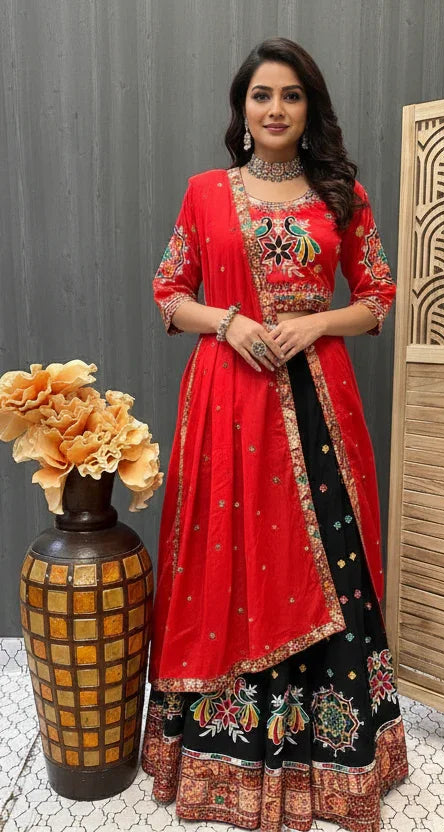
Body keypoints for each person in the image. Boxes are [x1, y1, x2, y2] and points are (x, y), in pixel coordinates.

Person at [141, 36, 409, 832]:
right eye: (262, 95)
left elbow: (378, 296)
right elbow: (167, 291)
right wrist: (227, 322)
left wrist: (315, 321)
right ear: (243, 109)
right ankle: (221, 754)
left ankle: (331, 758)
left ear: (308, 108)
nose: (276, 109)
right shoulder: (204, 193)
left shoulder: (341, 195)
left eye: (291, 95)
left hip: (318, 402)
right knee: (226, 555)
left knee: (328, 563)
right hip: (228, 402)